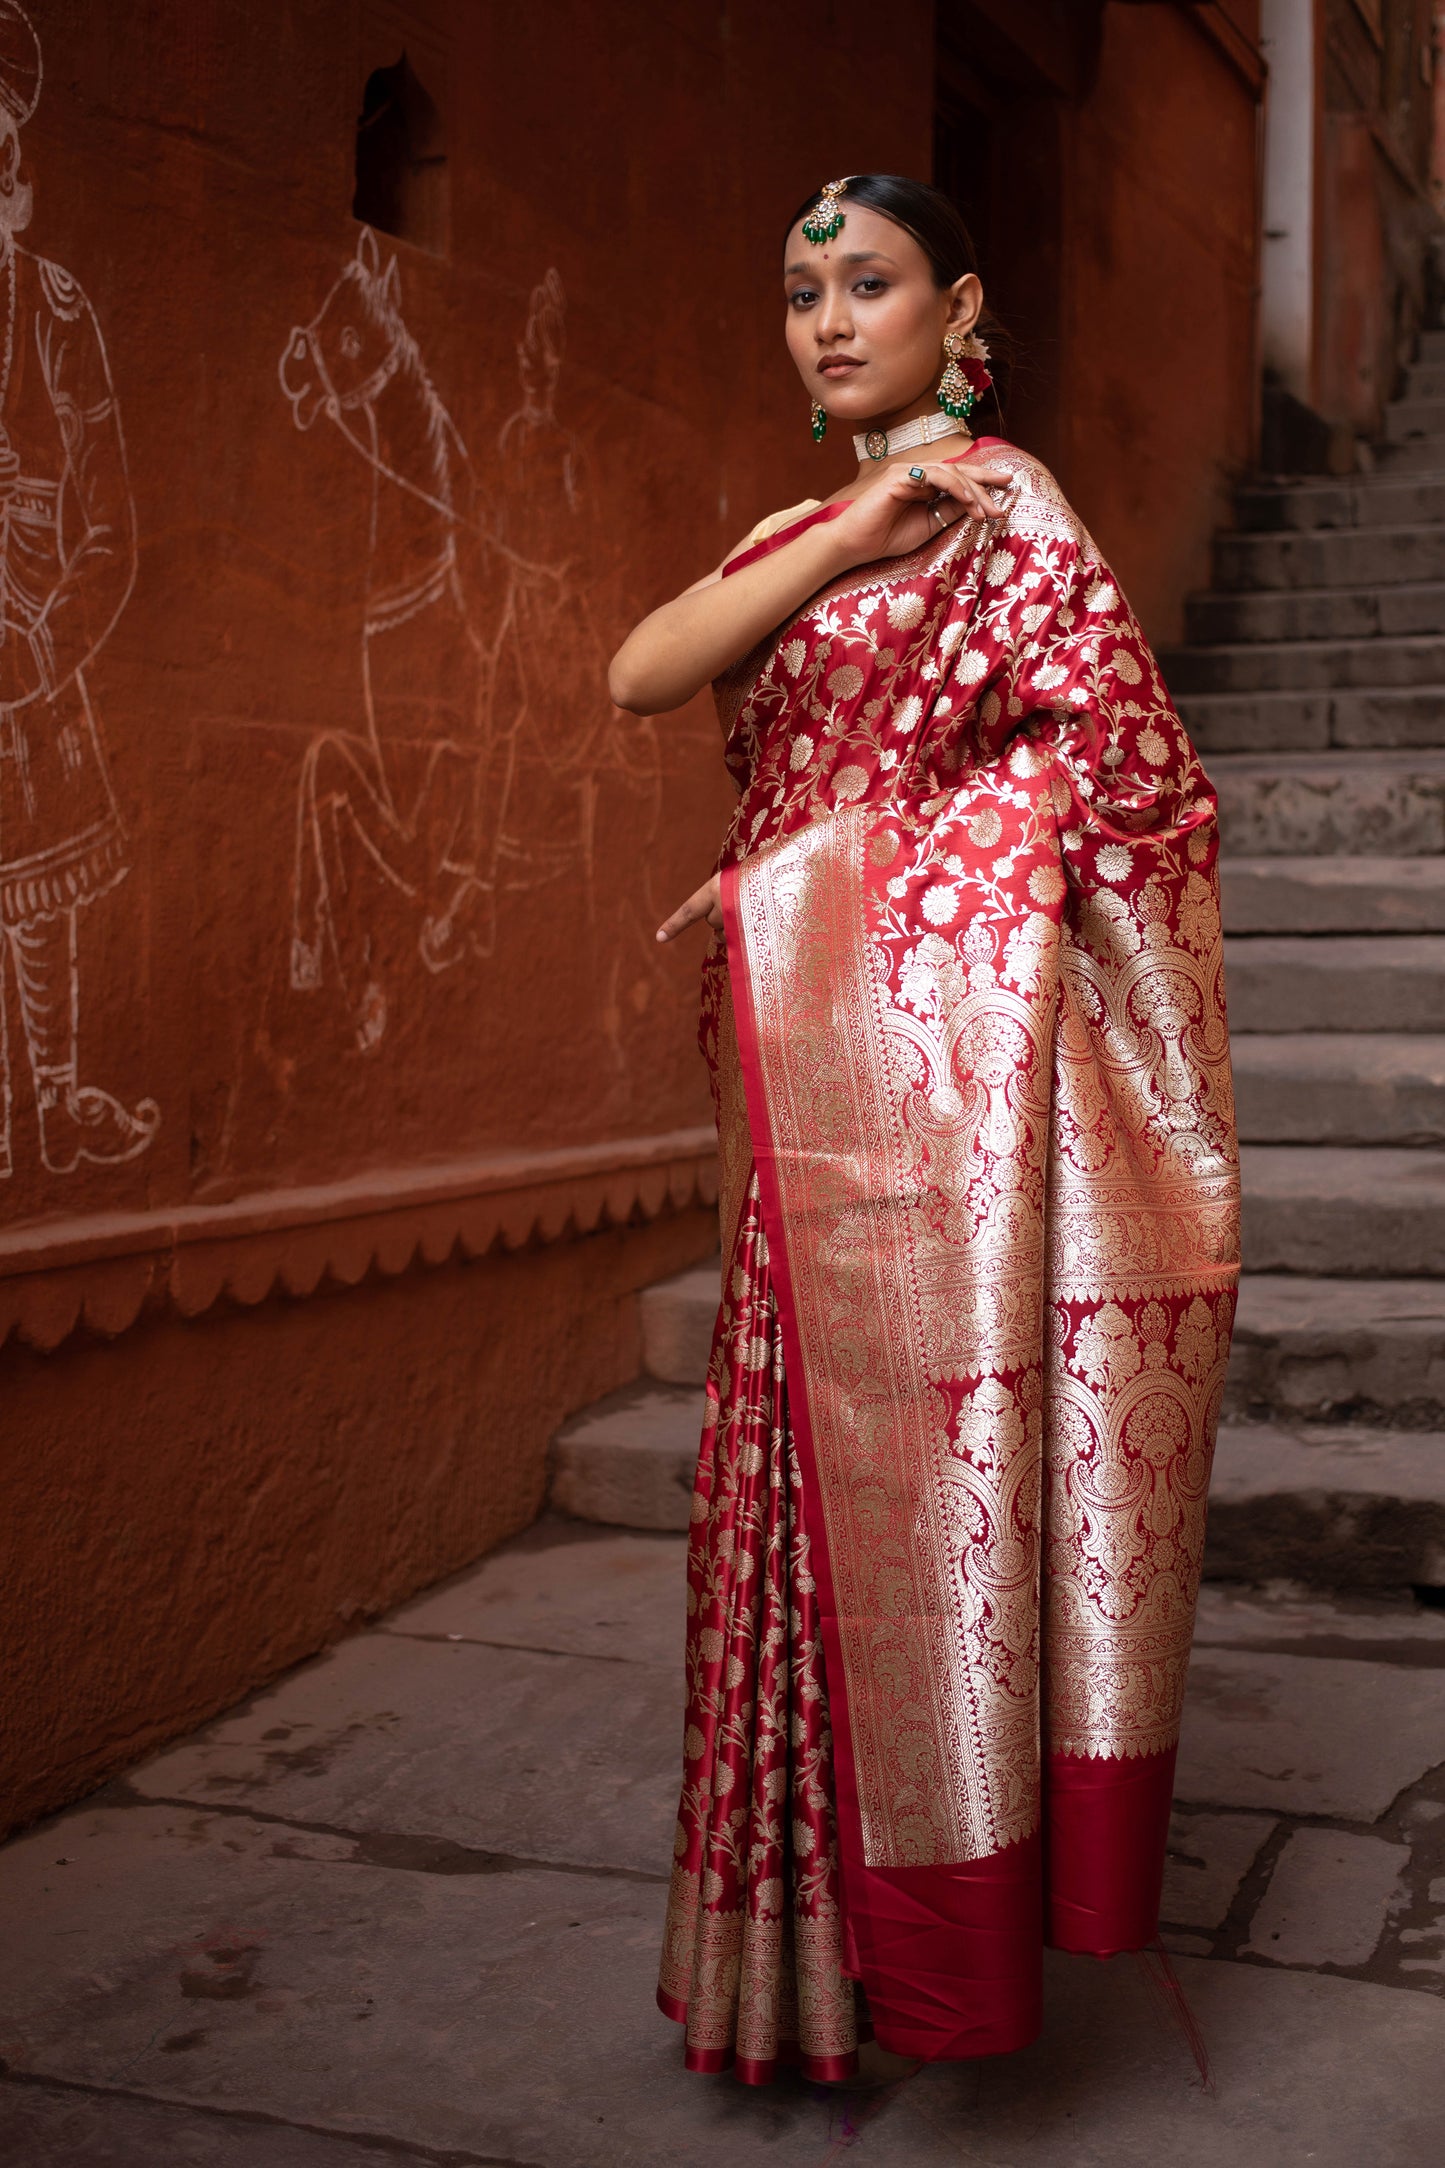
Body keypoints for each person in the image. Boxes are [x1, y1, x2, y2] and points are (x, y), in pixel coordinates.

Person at [609, 173, 1239, 2088]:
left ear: (951, 303)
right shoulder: (814, 525)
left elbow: (1135, 793)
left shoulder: (1015, 510)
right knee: (776, 1487)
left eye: (863, 282)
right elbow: (643, 670)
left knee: (886, 1502)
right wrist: (851, 526)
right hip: (787, 1074)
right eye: (797, 290)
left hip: (919, 1099)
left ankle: (918, 1953)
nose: (824, 319)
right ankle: (794, 1972)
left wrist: (848, 879)